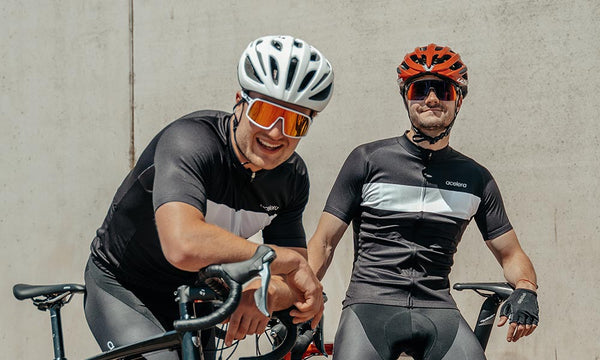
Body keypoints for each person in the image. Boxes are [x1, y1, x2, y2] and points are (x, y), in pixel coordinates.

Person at [84, 35, 334, 360]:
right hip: (125, 285)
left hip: (194, 292)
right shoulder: (190, 142)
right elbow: (183, 245)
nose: (276, 132)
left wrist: (264, 294)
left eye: (295, 122)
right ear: (239, 101)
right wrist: (277, 258)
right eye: (263, 112)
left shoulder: (292, 177)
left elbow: (295, 281)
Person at [308, 43, 539, 360]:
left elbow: (511, 253)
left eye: (442, 90)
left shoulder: (476, 178)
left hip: (438, 307)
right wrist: (298, 293)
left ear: (457, 99)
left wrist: (526, 287)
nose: (431, 98)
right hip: (370, 304)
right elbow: (324, 242)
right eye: (420, 89)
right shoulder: (367, 160)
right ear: (406, 97)